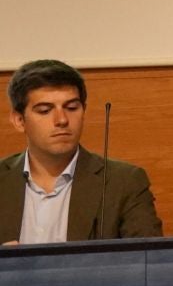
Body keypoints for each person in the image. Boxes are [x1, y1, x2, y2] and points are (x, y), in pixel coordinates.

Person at [2, 59, 162, 244]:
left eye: (72, 108)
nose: (62, 120)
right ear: (19, 120)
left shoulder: (123, 182)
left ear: (83, 110)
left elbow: (148, 263)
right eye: (45, 110)